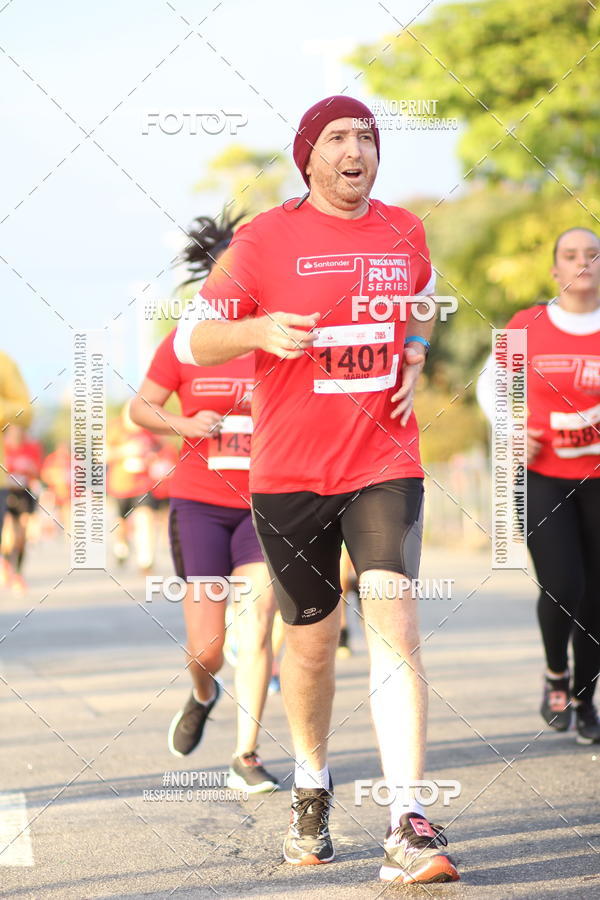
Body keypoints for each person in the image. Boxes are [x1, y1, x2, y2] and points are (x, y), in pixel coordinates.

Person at [174, 96, 459, 884]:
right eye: (338, 137)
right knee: (308, 644)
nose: (355, 148)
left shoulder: (405, 229)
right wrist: (257, 332)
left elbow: (423, 298)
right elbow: (191, 336)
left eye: (367, 137)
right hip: (291, 473)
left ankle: (410, 820)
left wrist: (417, 351)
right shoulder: (265, 238)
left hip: (384, 460)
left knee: (394, 614)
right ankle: (310, 784)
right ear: (309, 157)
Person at [130, 211, 279, 793]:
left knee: (261, 623)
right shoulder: (187, 344)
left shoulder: (277, 337)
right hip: (199, 504)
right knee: (208, 650)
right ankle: (202, 691)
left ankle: (247, 754)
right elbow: (139, 408)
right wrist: (185, 421)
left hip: (265, 504)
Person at [478, 227, 600, 745]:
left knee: (596, 596)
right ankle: (555, 673)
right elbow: (491, 383)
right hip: (543, 475)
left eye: (593, 255)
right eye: (570, 255)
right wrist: (509, 428)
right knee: (562, 587)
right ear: (554, 270)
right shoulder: (528, 324)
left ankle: (584, 698)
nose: (582, 262)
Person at [106, 402, 161, 575]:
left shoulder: (148, 430)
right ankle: (121, 547)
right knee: (121, 523)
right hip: (120, 485)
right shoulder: (116, 428)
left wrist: (152, 458)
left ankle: (146, 559)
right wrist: (125, 451)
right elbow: (102, 454)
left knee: (145, 518)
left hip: (143, 484)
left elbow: (158, 450)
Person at [0, 352, 32, 587]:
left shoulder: (4, 362)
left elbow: (25, 409)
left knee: (18, 534)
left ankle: (14, 569)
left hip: (15, 489)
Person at [1, 426, 43, 592]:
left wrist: (30, 469)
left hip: (24, 493)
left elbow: (38, 472)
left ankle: (18, 573)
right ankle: (5, 563)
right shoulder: (3, 448)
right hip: (7, 492)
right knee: (8, 535)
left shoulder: (31, 447)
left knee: (21, 536)